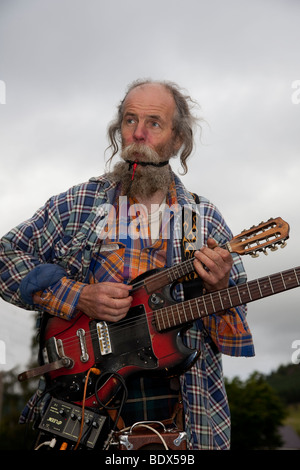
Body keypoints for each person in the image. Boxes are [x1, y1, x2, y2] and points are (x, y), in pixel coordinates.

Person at [0, 79, 254, 450]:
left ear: (178, 139)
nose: (138, 134)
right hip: (83, 415)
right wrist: (79, 295)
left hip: (183, 424)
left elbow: (232, 339)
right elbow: (5, 258)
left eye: (154, 123)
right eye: (129, 120)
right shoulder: (79, 205)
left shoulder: (203, 220)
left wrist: (219, 288)